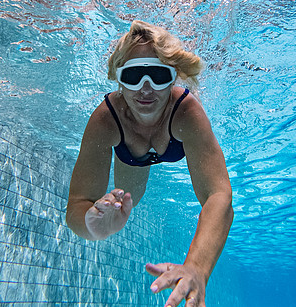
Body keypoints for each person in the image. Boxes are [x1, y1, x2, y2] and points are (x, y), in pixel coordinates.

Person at [66, 20, 233, 307]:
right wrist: (93, 228)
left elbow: (218, 195)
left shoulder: (187, 113)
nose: (146, 89)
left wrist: (197, 268)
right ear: (118, 78)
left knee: (129, 198)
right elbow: (78, 204)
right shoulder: (106, 120)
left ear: (174, 76)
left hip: (171, 134)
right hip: (131, 152)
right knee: (129, 199)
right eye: (133, 76)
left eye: (158, 75)